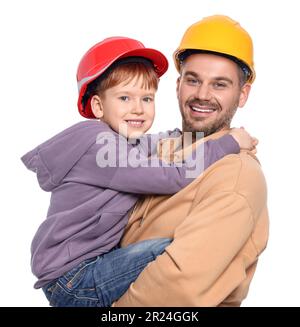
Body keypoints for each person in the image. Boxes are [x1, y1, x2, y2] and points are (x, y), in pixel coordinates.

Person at [21, 36, 256, 307]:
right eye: (124, 97)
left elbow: (149, 144)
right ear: (98, 106)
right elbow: (173, 176)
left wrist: (185, 139)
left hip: (81, 268)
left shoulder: (114, 140)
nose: (138, 108)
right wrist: (229, 143)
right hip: (74, 278)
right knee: (174, 251)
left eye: (147, 98)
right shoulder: (101, 148)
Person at [112, 15, 269, 307]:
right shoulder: (162, 149)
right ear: (178, 84)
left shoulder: (235, 176)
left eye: (220, 85)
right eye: (193, 80)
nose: (202, 95)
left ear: (242, 94)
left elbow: (177, 288)